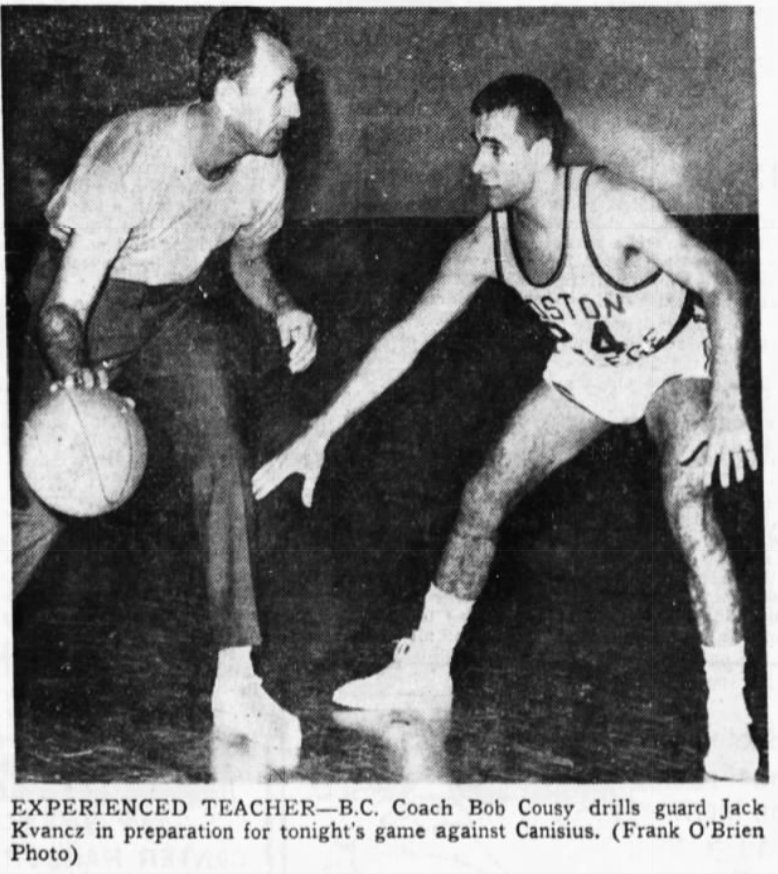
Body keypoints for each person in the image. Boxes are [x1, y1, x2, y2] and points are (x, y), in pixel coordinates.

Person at [253, 74, 760, 780]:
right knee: (484, 493)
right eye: (476, 145)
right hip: (588, 365)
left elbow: (721, 284)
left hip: (674, 356)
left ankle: (730, 720)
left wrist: (731, 403)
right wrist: (321, 429)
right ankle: (425, 672)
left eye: (494, 148)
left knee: (689, 507)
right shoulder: (488, 242)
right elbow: (407, 337)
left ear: (541, 152)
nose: (476, 164)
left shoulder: (614, 207)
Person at [12, 8, 316, 756]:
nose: (297, 108)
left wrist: (284, 306)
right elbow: (62, 309)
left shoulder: (264, 166)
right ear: (226, 90)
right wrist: (74, 373)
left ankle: (237, 685)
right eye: (280, 89)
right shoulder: (136, 156)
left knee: (222, 450)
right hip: (83, 303)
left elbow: (247, 260)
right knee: (53, 496)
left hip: (170, 308)